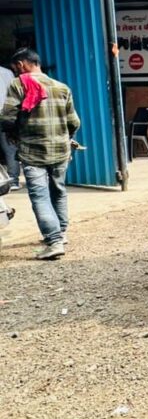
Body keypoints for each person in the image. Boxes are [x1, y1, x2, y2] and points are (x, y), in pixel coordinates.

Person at [0, 48, 80, 260]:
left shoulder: (19, 84)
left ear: (21, 65)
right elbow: (74, 122)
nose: (16, 72)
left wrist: (12, 134)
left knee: (40, 196)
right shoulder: (62, 87)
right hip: (61, 150)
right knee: (59, 191)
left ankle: (54, 241)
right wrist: (65, 137)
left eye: (15, 68)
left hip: (32, 151)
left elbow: (7, 118)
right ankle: (61, 233)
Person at [0, 61, 22, 190]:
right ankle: (13, 181)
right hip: (7, 113)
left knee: (9, 148)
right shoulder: (7, 72)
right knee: (10, 148)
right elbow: (16, 93)